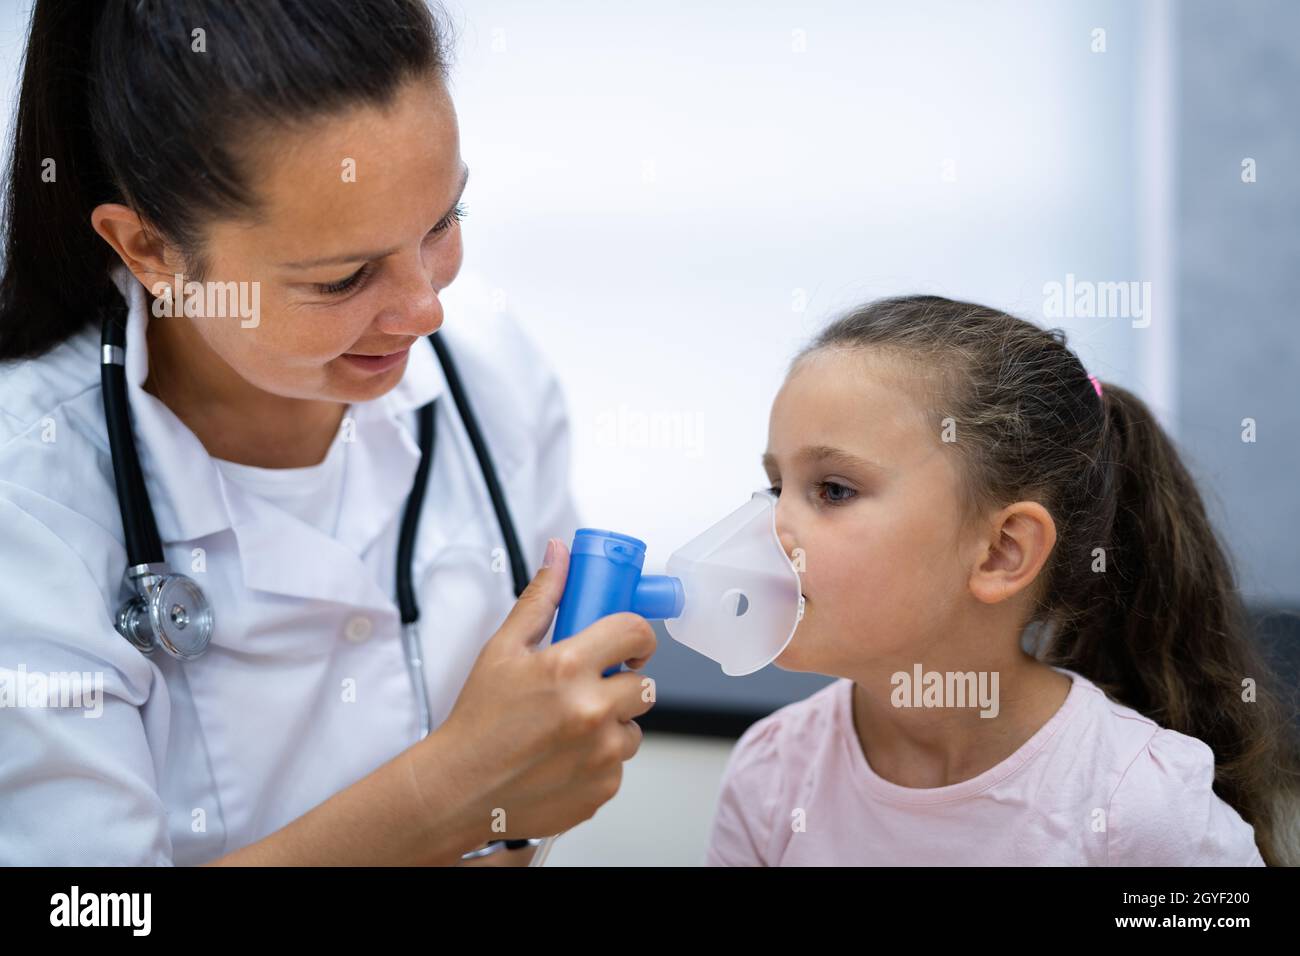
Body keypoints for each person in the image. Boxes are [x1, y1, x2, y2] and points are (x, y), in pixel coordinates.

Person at [0, 0, 655, 866]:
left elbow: (533, 791)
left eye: (443, 221)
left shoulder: (491, 375)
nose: (426, 309)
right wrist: (450, 792)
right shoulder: (27, 496)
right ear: (151, 252)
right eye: (344, 278)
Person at [707, 295, 1300, 866]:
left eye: (834, 490)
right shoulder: (772, 773)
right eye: (777, 488)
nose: (770, 528)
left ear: (1001, 552)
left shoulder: (1141, 806)